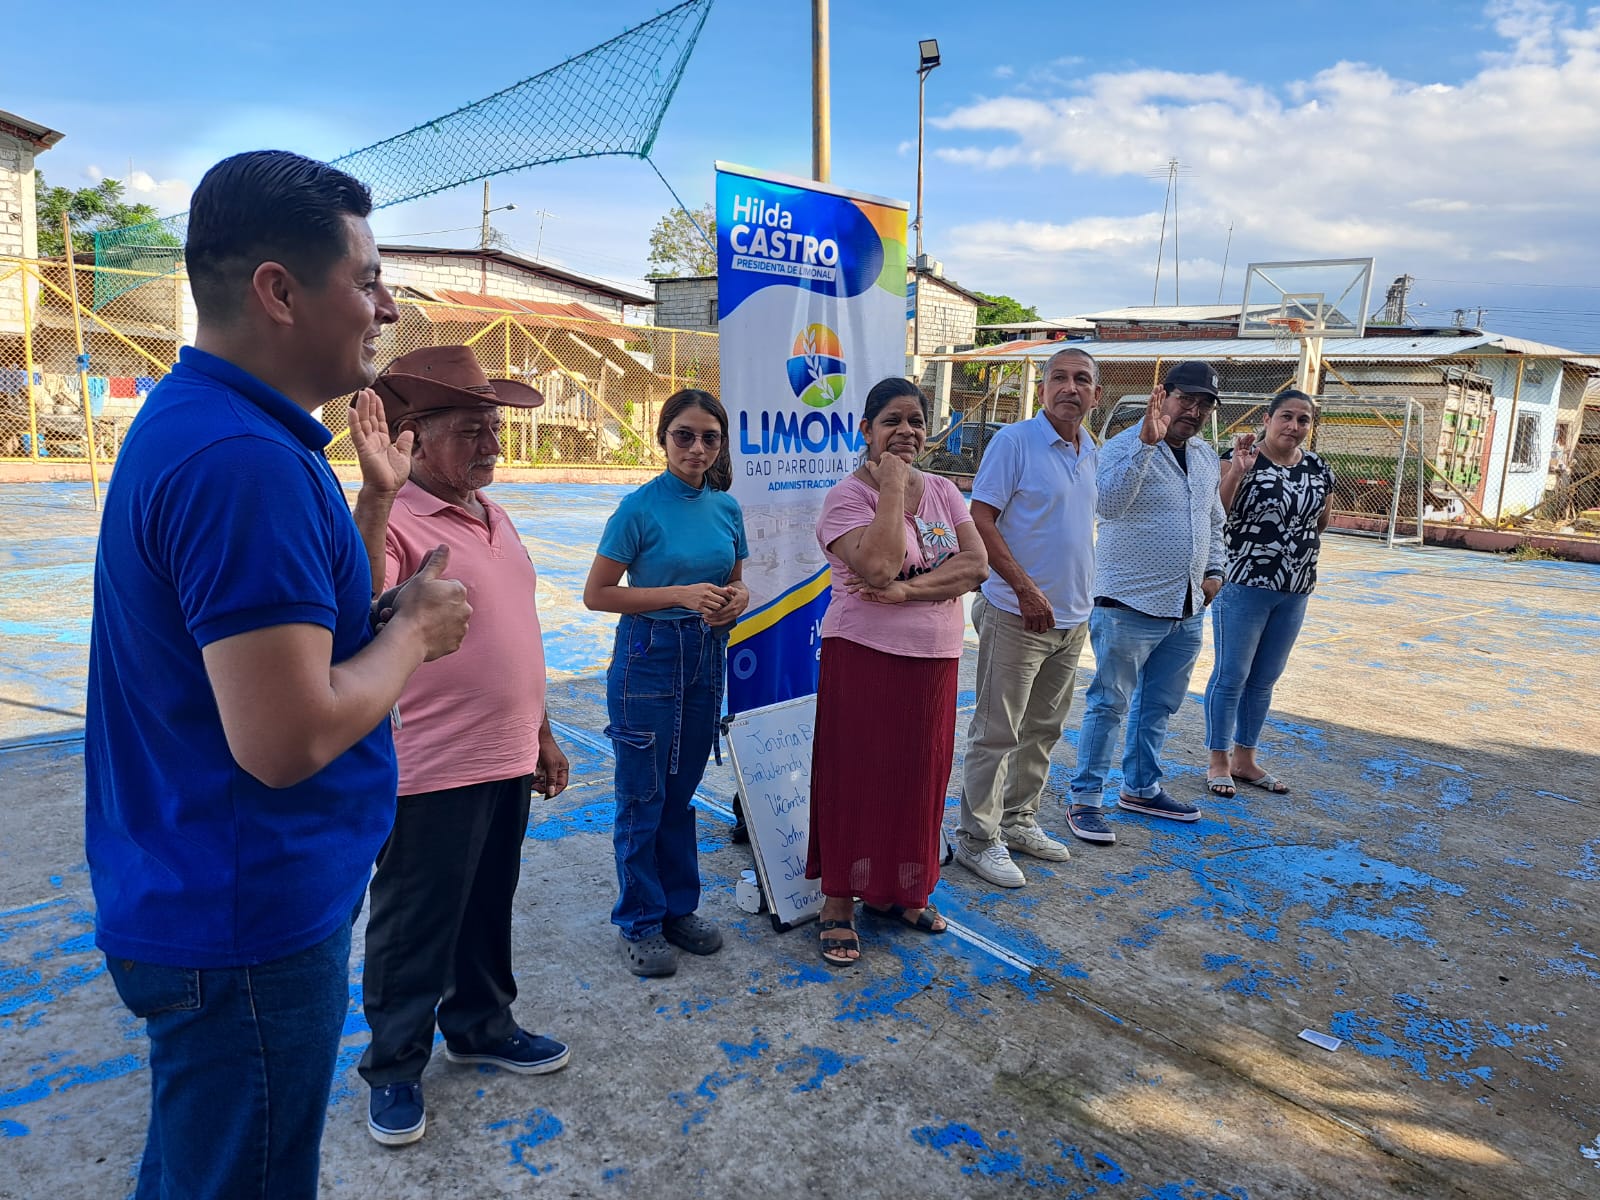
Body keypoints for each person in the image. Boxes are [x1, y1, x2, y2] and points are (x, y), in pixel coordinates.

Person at [85, 150, 471, 1199]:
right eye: (368, 280)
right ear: (278, 291)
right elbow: (286, 737)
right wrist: (414, 634)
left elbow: (294, 640)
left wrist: (375, 513)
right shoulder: (241, 464)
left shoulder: (218, 429)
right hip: (242, 915)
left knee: (202, 1165)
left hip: (210, 891)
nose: (386, 308)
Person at [355, 346, 572, 1147]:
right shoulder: (395, 518)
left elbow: (518, 634)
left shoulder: (493, 513)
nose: (492, 443)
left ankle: (482, 1026)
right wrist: (376, 500)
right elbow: (357, 605)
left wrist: (541, 732)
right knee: (415, 922)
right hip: (431, 763)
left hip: (506, 753)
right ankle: (393, 1065)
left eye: (494, 427)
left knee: (486, 906)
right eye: (472, 429)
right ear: (414, 435)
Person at [808, 377, 989, 965]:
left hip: (935, 659)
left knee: (919, 779)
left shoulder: (944, 491)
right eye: (891, 420)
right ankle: (839, 901)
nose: (906, 431)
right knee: (854, 777)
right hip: (863, 655)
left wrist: (909, 594)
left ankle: (900, 893)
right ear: (866, 430)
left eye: (915, 421)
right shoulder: (845, 498)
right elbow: (881, 565)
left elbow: (975, 566)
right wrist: (890, 483)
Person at [583, 390, 749, 977]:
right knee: (643, 793)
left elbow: (735, 579)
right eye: (684, 435)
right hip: (648, 656)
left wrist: (737, 600)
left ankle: (678, 909)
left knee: (680, 792)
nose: (697, 448)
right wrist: (679, 595)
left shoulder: (726, 508)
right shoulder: (638, 510)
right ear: (663, 438)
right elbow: (597, 594)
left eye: (709, 438)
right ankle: (640, 920)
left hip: (706, 654)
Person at [955, 348, 1100, 888]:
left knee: (1042, 730)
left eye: (1081, 379)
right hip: (1018, 614)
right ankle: (976, 838)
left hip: (1071, 618)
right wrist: (1024, 588)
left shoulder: (1090, 448)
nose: (1070, 387)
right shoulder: (1015, 442)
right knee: (997, 732)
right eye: (1059, 377)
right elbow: (981, 518)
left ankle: (1017, 820)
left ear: (1095, 394)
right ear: (1042, 389)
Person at [1065, 360, 1226, 845]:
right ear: (1162, 395)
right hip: (1127, 603)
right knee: (1109, 704)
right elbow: (1108, 505)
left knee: (1159, 706)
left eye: (1204, 404)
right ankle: (1085, 799)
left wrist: (1214, 572)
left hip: (1186, 608)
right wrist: (1146, 445)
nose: (1194, 411)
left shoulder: (1204, 455)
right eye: (1186, 399)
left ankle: (1140, 788)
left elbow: (1214, 519)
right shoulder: (1120, 447)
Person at [1203, 389, 1335, 797]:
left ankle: (1245, 759)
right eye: (1286, 417)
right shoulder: (1239, 458)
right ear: (1267, 419)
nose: (1293, 426)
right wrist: (1237, 473)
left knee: (1264, 679)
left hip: (1295, 587)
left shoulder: (1318, 466)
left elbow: (1321, 521)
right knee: (1232, 675)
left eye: (1303, 420)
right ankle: (1218, 760)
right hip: (1244, 583)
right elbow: (1217, 513)